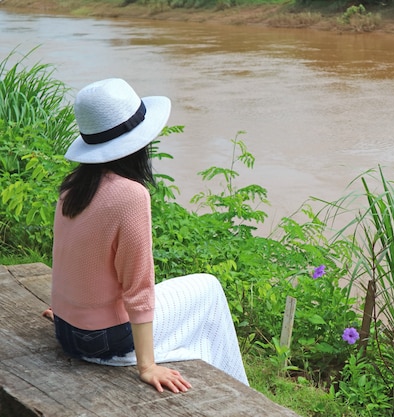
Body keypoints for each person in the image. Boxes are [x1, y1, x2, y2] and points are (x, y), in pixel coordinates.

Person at [43, 78, 248, 393]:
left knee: (179, 292)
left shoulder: (71, 186)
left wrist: (67, 311)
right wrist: (147, 366)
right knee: (208, 287)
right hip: (101, 341)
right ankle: (239, 389)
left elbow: (68, 255)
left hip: (67, 331)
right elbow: (138, 287)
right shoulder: (130, 195)